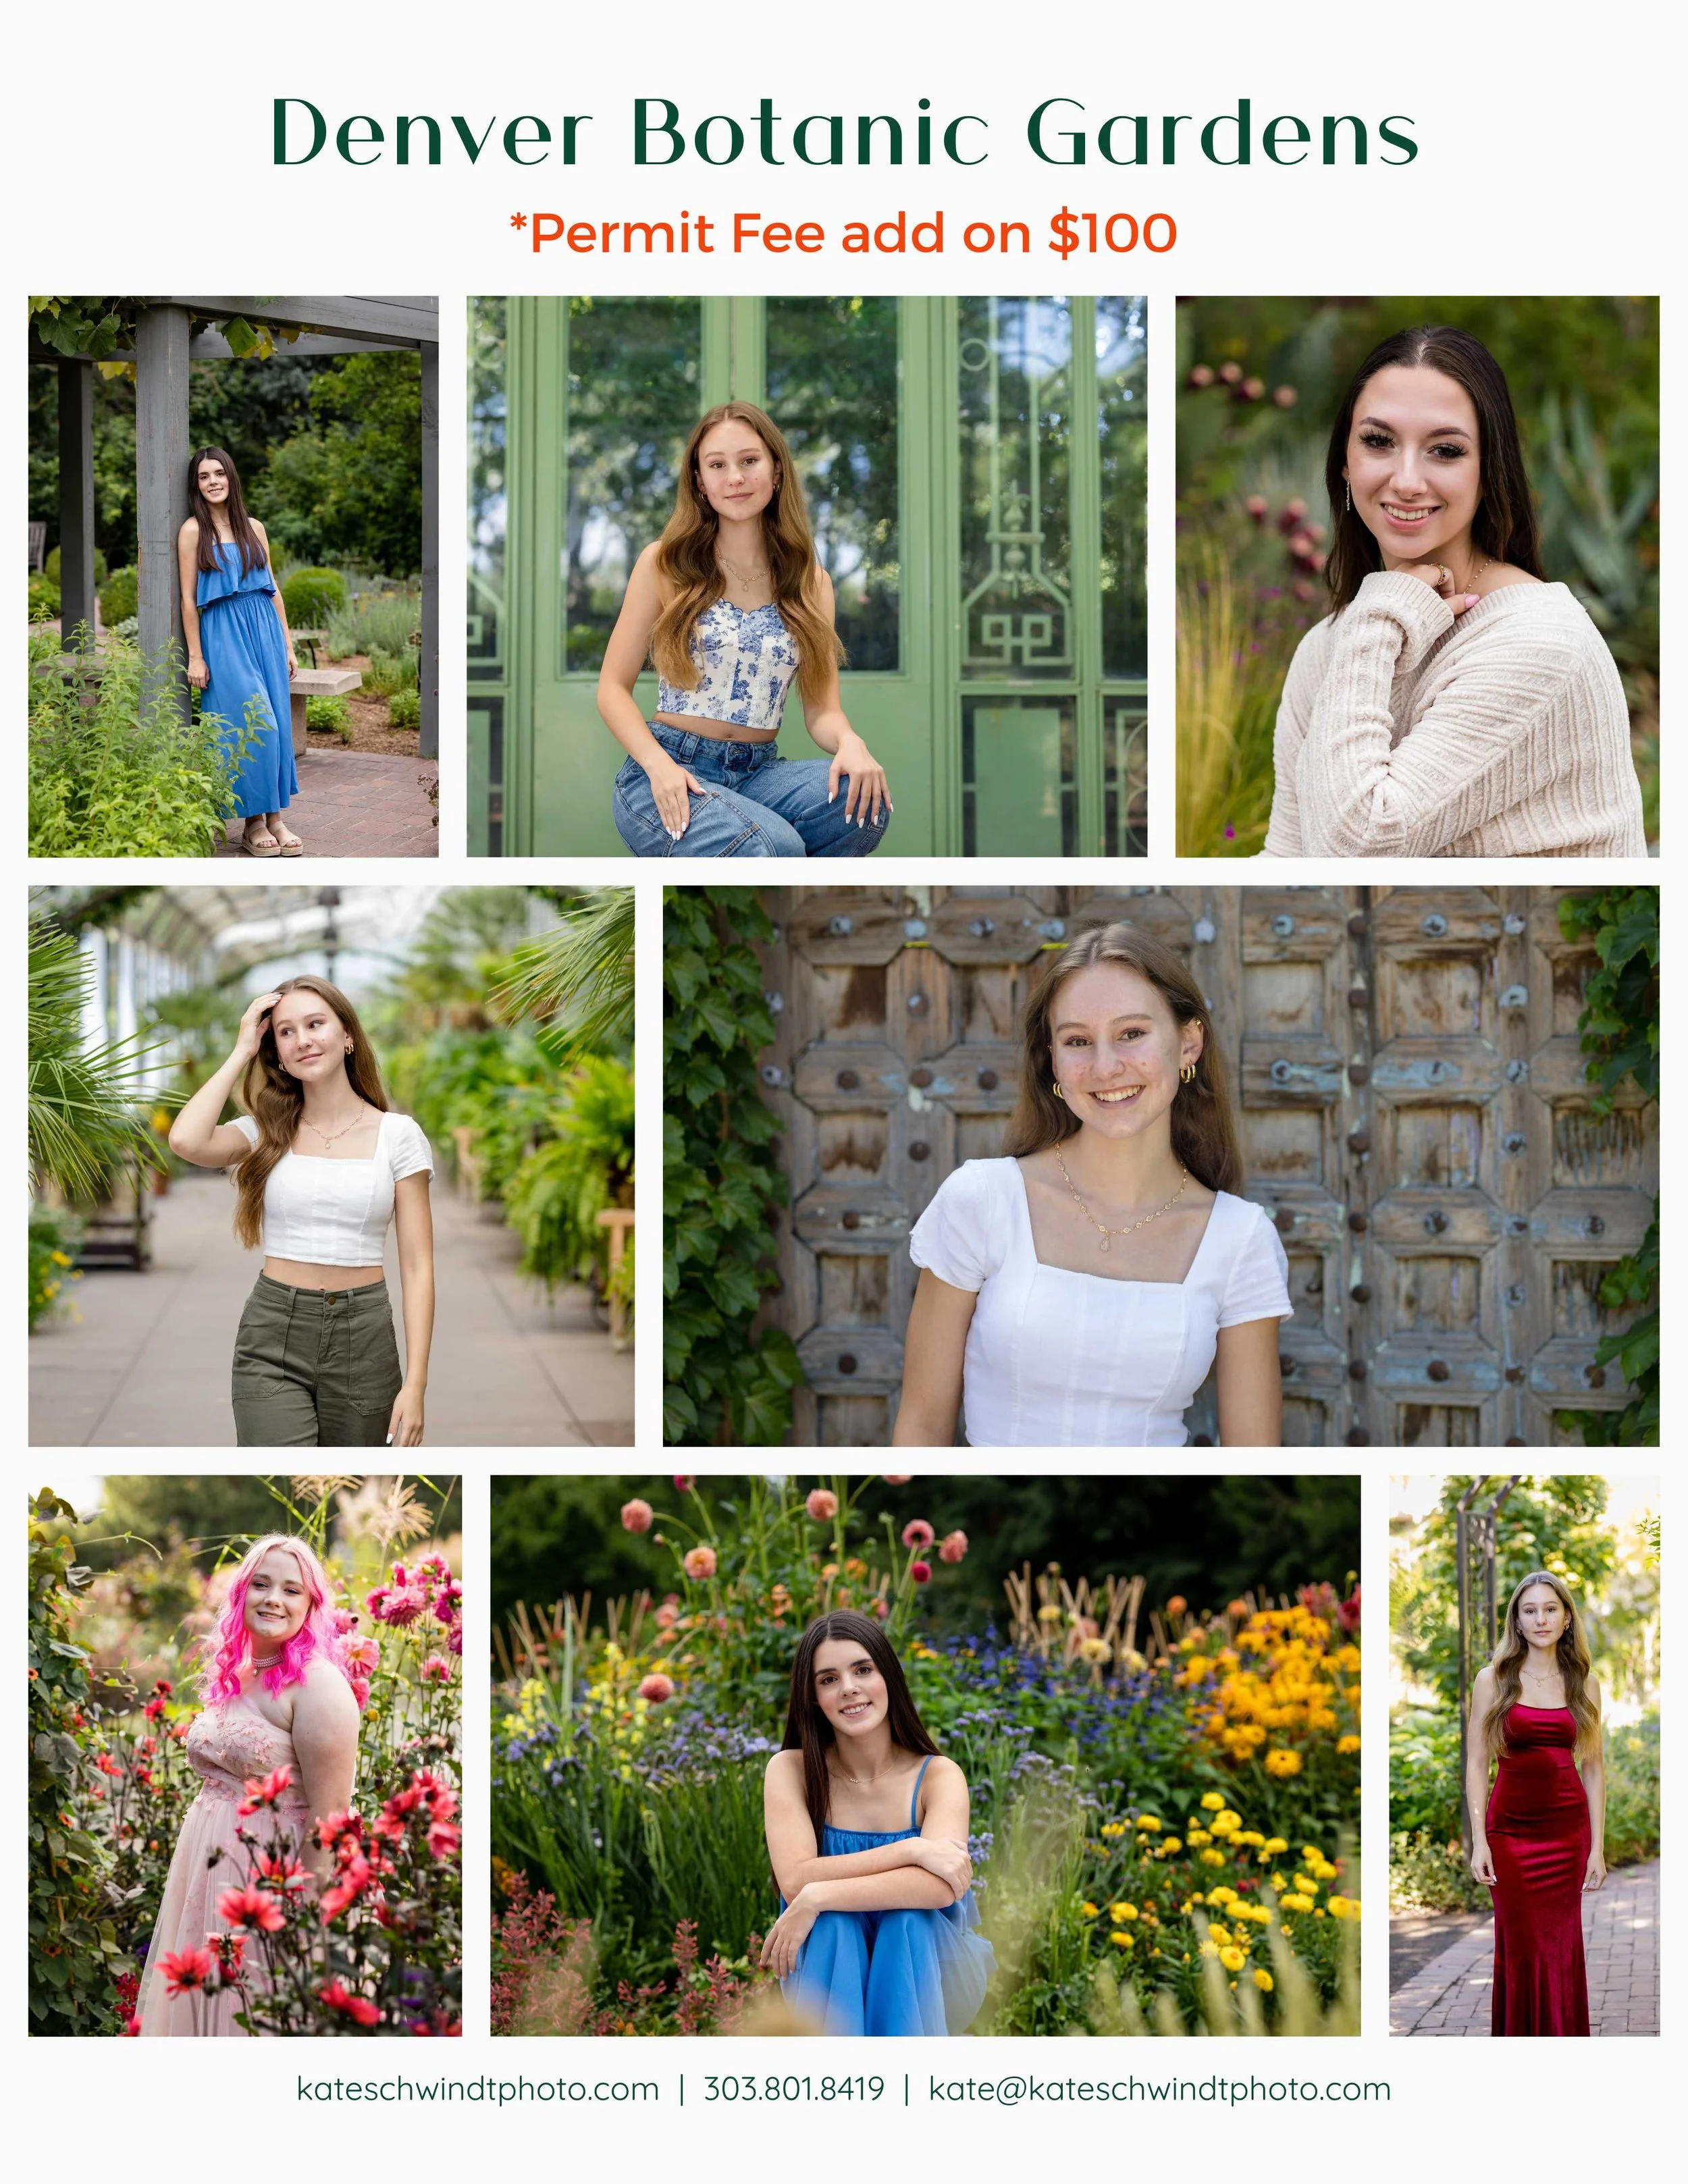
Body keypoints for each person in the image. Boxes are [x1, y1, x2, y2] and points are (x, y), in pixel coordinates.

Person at [893, 922, 1292, 1448]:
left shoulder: (1240, 1238)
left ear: (1188, 1043)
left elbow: (1254, 1461)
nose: (1105, 1067)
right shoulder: (982, 1201)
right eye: (1078, 1041)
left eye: (1132, 1033)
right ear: (1053, 1061)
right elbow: (921, 1429)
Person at [1261, 326, 1645, 858]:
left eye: (1445, 450)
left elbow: (1354, 852)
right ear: (1345, 461)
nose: (1407, 481)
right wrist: (1378, 618)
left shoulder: (1539, 641)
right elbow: (1287, 858)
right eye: (1379, 442)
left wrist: (1377, 620)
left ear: (1488, 471)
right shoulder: (1331, 647)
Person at [598, 400, 892, 857]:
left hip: (758, 773)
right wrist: (658, 765)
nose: (735, 477)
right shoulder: (665, 563)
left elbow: (822, 710)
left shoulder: (812, 584)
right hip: (667, 769)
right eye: (717, 465)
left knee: (862, 803)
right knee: (775, 848)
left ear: (776, 471)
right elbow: (612, 689)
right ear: (700, 481)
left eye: (750, 461)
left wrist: (851, 742)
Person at [168, 976, 434, 1447]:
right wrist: (242, 1051)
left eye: (315, 1024)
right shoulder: (264, 1131)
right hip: (273, 1333)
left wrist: (415, 1385)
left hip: (364, 1338)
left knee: (356, 1477)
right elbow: (187, 1140)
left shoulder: (398, 1135)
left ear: (347, 1034)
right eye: (286, 1032)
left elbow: (417, 1266)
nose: (303, 1040)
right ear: (277, 1053)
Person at [138, 1535, 361, 2036]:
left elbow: (331, 1816)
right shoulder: (237, 1673)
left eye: (291, 1590)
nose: (273, 1599)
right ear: (242, 1594)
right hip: (211, 1876)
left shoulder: (319, 1686)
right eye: (261, 1585)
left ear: (312, 1605)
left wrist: (304, 1923)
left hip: (272, 1885)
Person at [761, 1610, 993, 2035]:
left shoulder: (938, 1776)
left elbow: (939, 1888)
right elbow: (794, 1880)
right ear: (813, 1697)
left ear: (889, 1677)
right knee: (833, 1925)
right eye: (828, 1679)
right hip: (828, 1958)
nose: (849, 1688)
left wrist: (818, 1895)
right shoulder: (791, 1770)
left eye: (863, 1670)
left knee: (907, 1920)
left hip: (934, 1965)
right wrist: (911, 1849)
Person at [1465, 1570, 1606, 2036]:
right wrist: (1480, 1841)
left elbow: (1593, 1769)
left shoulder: (1584, 1682)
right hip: (1510, 1833)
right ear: (1517, 1621)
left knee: (1561, 1947)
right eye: (1530, 1610)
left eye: (1550, 1609)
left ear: (1566, 1619)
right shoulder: (1493, 1679)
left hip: (1567, 1834)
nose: (1541, 1619)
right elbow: (1477, 1764)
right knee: (1522, 1945)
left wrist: (1597, 1849)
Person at [176, 446, 302, 857]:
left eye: (219, 473)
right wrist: (196, 656)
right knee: (254, 724)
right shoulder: (192, 531)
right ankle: (252, 824)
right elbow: (187, 599)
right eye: (203, 476)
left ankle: (275, 818)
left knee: (277, 722)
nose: (212, 482)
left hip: (265, 628)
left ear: (231, 477)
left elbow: (273, 588)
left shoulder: (254, 527)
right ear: (196, 485)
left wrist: (288, 644)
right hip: (223, 632)